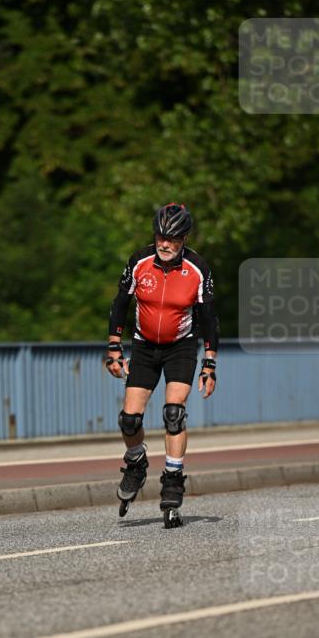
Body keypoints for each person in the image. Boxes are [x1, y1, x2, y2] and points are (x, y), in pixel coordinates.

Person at [105, 202, 219, 514]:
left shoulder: (197, 269)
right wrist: (114, 346)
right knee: (129, 420)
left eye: (172, 239)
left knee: (173, 413)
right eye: (160, 237)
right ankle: (136, 461)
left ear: (184, 239)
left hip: (180, 347)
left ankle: (172, 478)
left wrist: (209, 362)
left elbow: (209, 319)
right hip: (144, 345)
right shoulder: (139, 262)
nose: (164, 244)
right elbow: (120, 303)